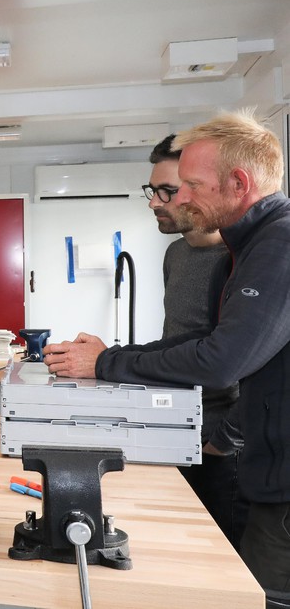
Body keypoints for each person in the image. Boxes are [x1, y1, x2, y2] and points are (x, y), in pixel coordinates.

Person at [42, 110, 289, 605]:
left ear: (239, 183)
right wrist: (110, 356)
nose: (183, 197)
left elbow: (222, 362)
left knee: (251, 594)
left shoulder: (277, 246)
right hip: (260, 467)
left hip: (274, 484)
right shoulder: (246, 250)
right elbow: (205, 343)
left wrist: (107, 364)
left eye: (191, 185)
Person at [145, 134, 247, 549]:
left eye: (168, 191)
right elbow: (176, 340)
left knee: (222, 558)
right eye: (153, 191)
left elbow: (248, 362)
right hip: (174, 428)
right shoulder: (175, 254)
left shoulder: (245, 260)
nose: (157, 201)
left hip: (222, 445)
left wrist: (224, 441)